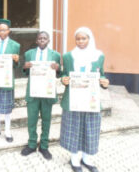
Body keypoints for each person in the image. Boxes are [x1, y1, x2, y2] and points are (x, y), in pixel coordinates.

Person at [60, 27, 109, 172]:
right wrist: (64, 80)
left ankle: (87, 159)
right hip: (73, 100)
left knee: (90, 129)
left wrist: (104, 82)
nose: (80, 41)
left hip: (91, 100)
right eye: (78, 39)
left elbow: (102, 75)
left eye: (84, 38)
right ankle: (75, 160)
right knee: (74, 129)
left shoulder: (99, 56)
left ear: (90, 39)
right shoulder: (68, 56)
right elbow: (63, 74)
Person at [20, 31, 61, 160]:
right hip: (33, 92)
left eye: (45, 38)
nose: (42, 40)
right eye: (40, 38)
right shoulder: (29, 54)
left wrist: (58, 68)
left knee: (46, 120)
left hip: (47, 93)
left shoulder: (55, 55)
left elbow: (59, 74)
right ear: (36, 40)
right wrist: (25, 67)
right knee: (32, 120)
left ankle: (44, 146)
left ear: (48, 40)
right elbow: (24, 72)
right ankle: (32, 144)